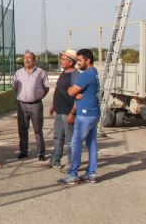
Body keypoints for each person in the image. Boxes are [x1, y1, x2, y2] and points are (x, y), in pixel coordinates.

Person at [58, 48, 101, 185]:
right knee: (91, 143)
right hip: (93, 113)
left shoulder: (86, 74)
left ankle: (73, 174)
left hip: (85, 114)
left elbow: (71, 91)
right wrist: (77, 93)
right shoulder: (94, 72)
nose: (78, 63)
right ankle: (91, 174)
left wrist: (74, 91)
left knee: (76, 143)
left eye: (80, 60)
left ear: (88, 60)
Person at [13, 50, 50, 161]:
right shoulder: (18, 73)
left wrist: (38, 96)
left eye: (29, 57)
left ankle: (41, 153)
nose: (27, 60)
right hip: (22, 105)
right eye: (25, 57)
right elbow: (15, 87)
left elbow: (46, 88)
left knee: (38, 130)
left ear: (34, 60)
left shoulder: (40, 72)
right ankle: (23, 151)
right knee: (22, 129)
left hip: (36, 105)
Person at [48, 50, 79, 169]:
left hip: (68, 112)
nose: (60, 61)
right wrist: (53, 105)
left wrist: (73, 112)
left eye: (63, 59)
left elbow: (78, 96)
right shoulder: (64, 73)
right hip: (59, 110)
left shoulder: (75, 76)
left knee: (70, 139)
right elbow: (58, 90)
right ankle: (55, 160)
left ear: (70, 62)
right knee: (58, 137)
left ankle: (72, 163)